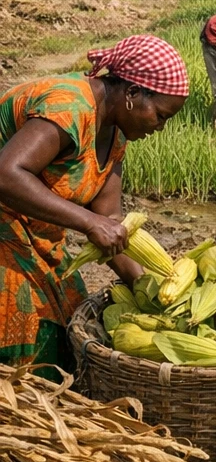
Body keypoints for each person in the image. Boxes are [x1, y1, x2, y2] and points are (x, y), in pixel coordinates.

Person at [0, 35, 188, 380]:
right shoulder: (68, 107)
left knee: (70, 307)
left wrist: (154, 293)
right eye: (160, 115)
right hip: (5, 223)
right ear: (132, 94)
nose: (159, 127)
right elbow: (6, 174)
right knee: (23, 307)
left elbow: (110, 224)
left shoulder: (115, 133)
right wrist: (87, 222)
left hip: (32, 232)